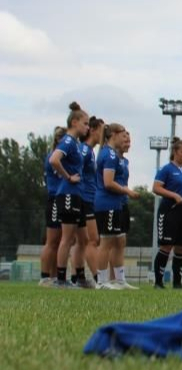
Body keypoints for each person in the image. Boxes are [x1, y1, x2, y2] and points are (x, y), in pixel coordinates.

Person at [48, 102, 89, 288]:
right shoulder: (67, 141)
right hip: (68, 194)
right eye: (85, 124)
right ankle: (61, 278)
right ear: (75, 122)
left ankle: (79, 277)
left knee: (83, 238)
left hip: (77, 194)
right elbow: (54, 160)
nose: (87, 127)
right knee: (67, 238)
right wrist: (68, 177)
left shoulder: (76, 143)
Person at [95, 124, 140, 290]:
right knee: (106, 241)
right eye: (123, 135)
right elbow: (108, 183)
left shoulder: (117, 156)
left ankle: (119, 280)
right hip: (107, 203)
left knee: (120, 240)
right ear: (113, 134)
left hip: (118, 204)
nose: (126, 138)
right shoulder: (109, 155)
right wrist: (127, 191)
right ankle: (101, 281)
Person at [153, 137, 182, 289]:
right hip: (170, 210)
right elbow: (156, 188)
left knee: (181, 246)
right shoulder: (166, 169)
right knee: (166, 245)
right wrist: (173, 195)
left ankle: (177, 281)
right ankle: (158, 281)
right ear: (175, 152)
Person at [72, 115, 104, 288]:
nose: (103, 134)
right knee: (93, 240)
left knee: (82, 241)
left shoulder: (90, 151)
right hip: (84, 199)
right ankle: (98, 278)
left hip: (87, 198)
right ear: (92, 130)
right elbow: (75, 168)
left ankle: (79, 278)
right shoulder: (84, 150)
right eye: (101, 130)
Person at [39, 126, 66, 286]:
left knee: (62, 240)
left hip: (63, 199)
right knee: (52, 240)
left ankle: (56, 276)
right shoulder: (53, 157)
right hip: (55, 199)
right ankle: (44, 276)